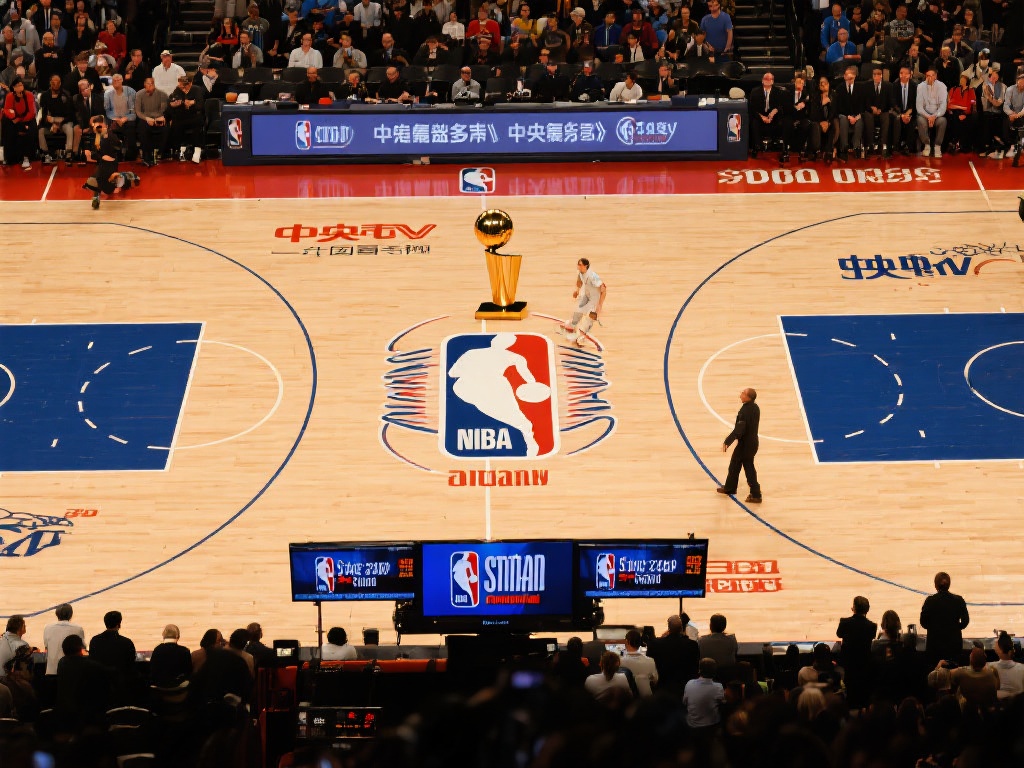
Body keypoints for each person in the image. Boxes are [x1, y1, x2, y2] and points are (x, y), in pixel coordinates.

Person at [717, 387, 761, 503]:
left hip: (745, 445)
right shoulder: (755, 407)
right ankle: (730, 488)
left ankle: (756, 494)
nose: (740, 394)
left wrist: (728, 441)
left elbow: (739, 430)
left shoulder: (745, 411)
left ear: (748, 397)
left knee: (748, 468)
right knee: (735, 465)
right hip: (751, 443)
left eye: (743, 393)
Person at [87, 608, 139, 701]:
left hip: (98, 687)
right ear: (119, 624)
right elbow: (131, 664)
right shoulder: (126, 642)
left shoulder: (94, 641)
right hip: (120, 688)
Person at [920, 571, 969, 666]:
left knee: (935, 672)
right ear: (949, 585)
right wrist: (955, 627)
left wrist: (934, 627)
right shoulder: (958, 600)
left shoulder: (930, 601)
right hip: (954, 645)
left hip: (934, 646)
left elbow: (923, 622)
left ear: (935, 585)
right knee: (954, 671)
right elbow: (965, 621)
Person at [836, 596, 877, 709]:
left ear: (853, 608)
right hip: (864, 664)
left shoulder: (844, 622)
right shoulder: (872, 626)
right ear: (867, 610)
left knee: (849, 691)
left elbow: (839, 634)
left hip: (848, 664)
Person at [645, 614, 699, 697]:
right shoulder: (692, 645)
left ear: (669, 628)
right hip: (685, 688)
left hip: (663, 688)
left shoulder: (656, 645)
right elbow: (695, 668)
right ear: (681, 629)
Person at [561, 257, 606, 347]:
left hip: (594, 299)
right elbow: (579, 281)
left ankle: (580, 338)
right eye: (578, 265)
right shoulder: (580, 273)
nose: (578, 267)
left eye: (580, 265)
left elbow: (604, 289)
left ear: (586, 266)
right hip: (586, 296)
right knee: (578, 310)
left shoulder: (592, 276)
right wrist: (577, 291)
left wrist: (600, 305)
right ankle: (572, 327)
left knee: (589, 318)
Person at [748, 71, 786, 161]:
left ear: (773, 81)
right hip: (759, 116)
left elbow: (782, 106)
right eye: (766, 78)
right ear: (762, 80)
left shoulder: (778, 92)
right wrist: (762, 117)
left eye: (770, 79)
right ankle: (757, 147)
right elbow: (752, 108)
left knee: (783, 121)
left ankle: (780, 147)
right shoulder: (755, 91)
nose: (767, 80)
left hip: (774, 117)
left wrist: (774, 112)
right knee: (754, 122)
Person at [167, 73, 205, 162]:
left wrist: (193, 103)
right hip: (182, 116)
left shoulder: (197, 89)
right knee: (175, 124)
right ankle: (180, 149)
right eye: (181, 86)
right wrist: (178, 104)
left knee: (197, 124)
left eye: (184, 86)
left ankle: (197, 149)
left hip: (194, 116)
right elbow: (172, 103)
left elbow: (200, 105)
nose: (182, 88)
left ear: (190, 83)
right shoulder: (177, 90)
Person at [948, 648, 998, 714]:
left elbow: (949, 678)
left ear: (971, 660)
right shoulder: (992, 672)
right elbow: (997, 687)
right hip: (986, 709)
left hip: (967, 709)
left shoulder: (961, 673)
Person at [42, 603, 85, 677]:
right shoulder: (78, 628)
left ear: (57, 614)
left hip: (51, 672)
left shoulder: (47, 628)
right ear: (71, 614)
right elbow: (82, 647)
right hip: (71, 672)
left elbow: (46, 646)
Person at [2, 76, 35, 169]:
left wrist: (21, 122)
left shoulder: (29, 95)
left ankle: (27, 157)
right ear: (13, 88)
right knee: (7, 123)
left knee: (30, 128)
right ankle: (10, 158)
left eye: (21, 85)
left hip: (26, 119)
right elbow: (7, 110)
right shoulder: (9, 96)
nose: (20, 87)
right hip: (15, 120)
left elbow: (32, 112)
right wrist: (14, 118)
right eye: (17, 86)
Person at [135, 76, 168, 167]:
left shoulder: (162, 94)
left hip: (158, 118)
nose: (150, 86)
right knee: (143, 129)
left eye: (152, 84)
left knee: (165, 129)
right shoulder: (139, 94)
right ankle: (146, 156)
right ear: (144, 84)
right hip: (145, 119)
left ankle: (160, 153)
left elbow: (163, 110)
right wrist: (147, 119)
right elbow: (138, 111)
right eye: (148, 84)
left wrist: (157, 118)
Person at [103, 72, 137, 160]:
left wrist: (125, 118)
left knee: (130, 127)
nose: (116, 82)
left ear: (122, 81)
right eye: (114, 80)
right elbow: (107, 110)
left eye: (118, 80)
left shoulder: (131, 91)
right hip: (114, 119)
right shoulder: (107, 93)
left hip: (128, 118)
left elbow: (133, 111)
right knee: (109, 130)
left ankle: (130, 156)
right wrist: (116, 119)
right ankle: (116, 154)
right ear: (112, 82)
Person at [683, 657, 724, 729]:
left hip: (692, 725)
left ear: (699, 670)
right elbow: (722, 703)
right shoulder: (718, 687)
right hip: (711, 725)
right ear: (714, 671)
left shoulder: (689, 683)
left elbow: (684, 702)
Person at [834, 65, 865, 160]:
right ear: (844, 76)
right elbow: (838, 106)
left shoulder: (860, 87)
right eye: (847, 77)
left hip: (856, 114)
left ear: (855, 77)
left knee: (860, 121)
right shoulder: (839, 88)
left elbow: (862, 104)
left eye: (851, 78)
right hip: (844, 114)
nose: (849, 79)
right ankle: (844, 147)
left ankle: (856, 147)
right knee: (843, 119)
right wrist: (848, 116)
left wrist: (857, 116)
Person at [915, 66, 947, 157]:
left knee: (943, 121)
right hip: (925, 115)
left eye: (932, 75)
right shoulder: (920, 86)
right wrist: (928, 117)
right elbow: (919, 107)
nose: (930, 78)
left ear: (935, 76)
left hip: (937, 115)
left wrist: (934, 116)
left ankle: (937, 146)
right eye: (928, 75)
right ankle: (927, 144)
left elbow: (943, 106)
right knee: (920, 120)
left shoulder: (942, 86)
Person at [862, 65, 892, 157]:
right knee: (868, 115)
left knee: (886, 116)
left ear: (882, 75)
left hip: (883, 111)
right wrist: (871, 108)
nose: (876, 76)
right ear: (872, 75)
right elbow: (865, 101)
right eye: (874, 74)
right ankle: (870, 144)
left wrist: (880, 110)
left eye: (879, 74)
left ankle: (882, 144)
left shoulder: (888, 86)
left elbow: (889, 102)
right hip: (870, 111)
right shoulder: (867, 85)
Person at [619, 628, 658, 696]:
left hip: (627, 699)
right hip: (646, 699)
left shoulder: (619, 662)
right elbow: (655, 681)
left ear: (627, 642)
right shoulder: (650, 661)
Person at [698, 613, 738, 678]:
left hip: (707, 675)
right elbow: (735, 652)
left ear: (710, 626)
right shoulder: (732, 640)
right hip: (727, 675)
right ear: (724, 626)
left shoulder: (702, 640)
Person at [946, 71, 976, 154]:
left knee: (967, 121)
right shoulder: (953, 89)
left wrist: (965, 113)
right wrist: (960, 107)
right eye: (961, 79)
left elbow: (972, 102)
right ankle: (954, 142)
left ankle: (962, 144)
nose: (961, 81)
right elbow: (949, 104)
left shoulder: (971, 91)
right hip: (954, 112)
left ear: (967, 81)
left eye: (963, 80)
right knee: (953, 119)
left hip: (966, 113)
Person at [988, 631, 1024, 700]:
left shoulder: (989, 668)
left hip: (999, 704)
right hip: (1018, 704)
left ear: (999, 650)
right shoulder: (1022, 668)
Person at [891, 65, 917, 154]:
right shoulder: (894, 85)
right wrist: (902, 115)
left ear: (910, 75)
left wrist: (908, 113)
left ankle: (908, 147)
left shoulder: (914, 86)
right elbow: (893, 103)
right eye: (901, 73)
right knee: (897, 119)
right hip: (898, 112)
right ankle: (896, 145)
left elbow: (915, 102)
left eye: (906, 73)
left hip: (911, 112)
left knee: (912, 121)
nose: (903, 75)